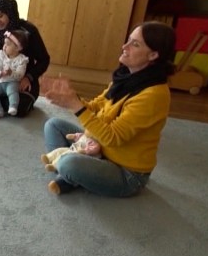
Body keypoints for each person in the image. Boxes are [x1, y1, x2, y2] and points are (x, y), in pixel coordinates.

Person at [41, 21, 176, 197]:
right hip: (99, 148)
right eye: (128, 40)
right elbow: (97, 106)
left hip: (126, 172)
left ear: (153, 55)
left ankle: (69, 171)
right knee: (53, 125)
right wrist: (71, 98)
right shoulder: (127, 76)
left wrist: (76, 106)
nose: (124, 46)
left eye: (135, 44)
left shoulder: (153, 95)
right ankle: (74, 173)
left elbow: (113, 137)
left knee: (69, 164)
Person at [0, 28, 30, 119]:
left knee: (12, 91)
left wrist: (11, 73)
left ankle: (13, 106)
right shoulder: (2, 55)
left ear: (17, 48)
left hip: (12, 81)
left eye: (8, 44)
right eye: (4, 44)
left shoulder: (22, 60)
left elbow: (20, 75)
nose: (4, 46)